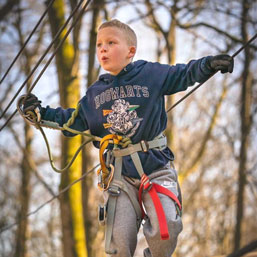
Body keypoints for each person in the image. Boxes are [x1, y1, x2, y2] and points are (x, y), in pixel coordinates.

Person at [22, 19, 234, 257]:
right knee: (118, 240)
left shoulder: (150, 74)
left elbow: (183, 74)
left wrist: (209, 64)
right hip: (119, 176)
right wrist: (40, 114)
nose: (103, 49)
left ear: (130, 51)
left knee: (167, 230)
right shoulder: (95, 94)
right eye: (99, 44)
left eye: (111, 42)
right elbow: (73, 121)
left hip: (156, 167)